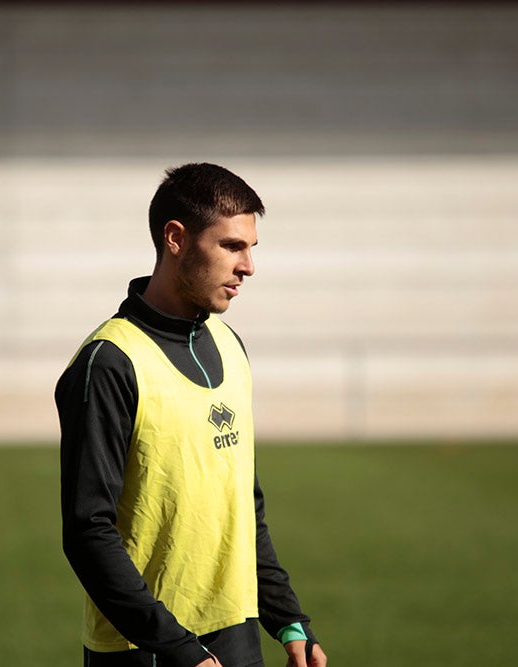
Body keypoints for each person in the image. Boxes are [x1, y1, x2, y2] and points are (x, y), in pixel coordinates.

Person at [55, 163, 328, 667]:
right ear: (176, 238)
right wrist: (179, 648)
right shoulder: (110, 362)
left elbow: (244, 502)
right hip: (149, 650)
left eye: (251, 248)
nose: (248, 266)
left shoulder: (229, 343)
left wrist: (288, 619)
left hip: (236, 637)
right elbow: (87, 531)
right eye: (231, 246)